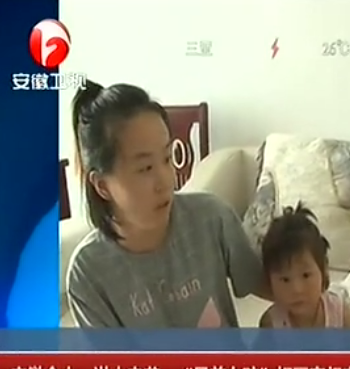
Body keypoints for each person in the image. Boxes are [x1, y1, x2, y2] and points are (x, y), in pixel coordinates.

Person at [67, 79, 269, 328]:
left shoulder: (212, 218)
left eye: (166, 158)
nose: (166, 180)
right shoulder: (88, 272)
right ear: (103, 186)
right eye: (145, 168)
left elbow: (276, 285)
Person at [259, 203, 350, 328]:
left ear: (323, 270)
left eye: (306, 275)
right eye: (285, 279)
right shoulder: (271, 324)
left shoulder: (342, 316)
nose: (297, 289)